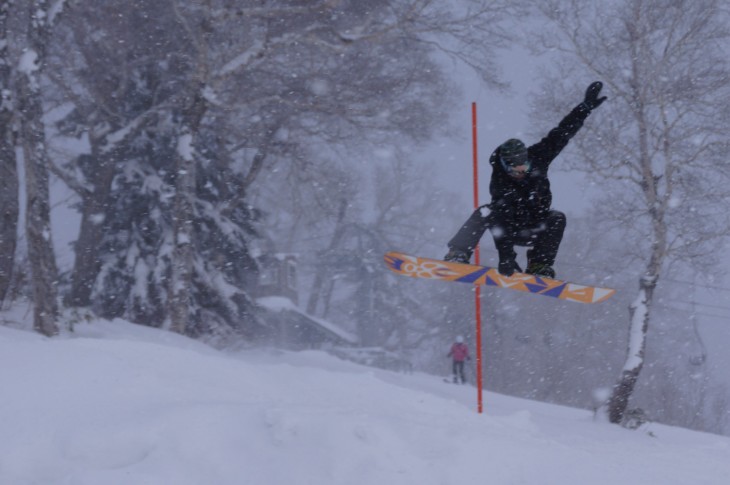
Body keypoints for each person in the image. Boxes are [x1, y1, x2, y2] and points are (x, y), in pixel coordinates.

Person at [444, 82, 607, 278]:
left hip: (536, 226)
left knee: (557, 218)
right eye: (516, 169)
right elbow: (500, 221)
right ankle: (458, 253)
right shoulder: (501, 182)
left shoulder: (539, 157)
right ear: (505, 166)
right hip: (510, 228)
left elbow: (562, 133)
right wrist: (507, 257)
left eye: (525, 167)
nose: (522, 172)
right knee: (486, 212)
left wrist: (584, 108)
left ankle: (539, 265)